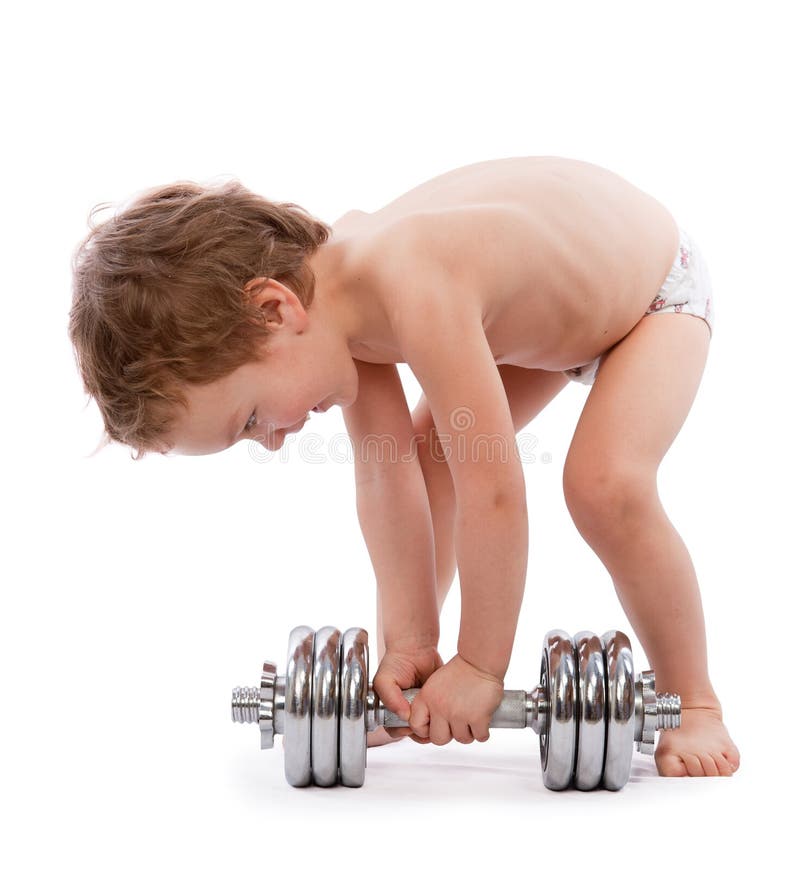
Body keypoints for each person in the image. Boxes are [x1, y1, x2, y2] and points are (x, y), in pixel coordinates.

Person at [69, 155, 740, 777]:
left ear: (275, 308)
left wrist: (482, 664)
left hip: (653, 295)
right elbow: (386, 477)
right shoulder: (337, 303)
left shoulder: (414, 281)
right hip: (558, 322)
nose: (271, 441)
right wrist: (409, 648)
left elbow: (495, 489)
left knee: (603, 484)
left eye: (249, 420)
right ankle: (422, 657)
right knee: (423, 457)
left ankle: (697, 701)